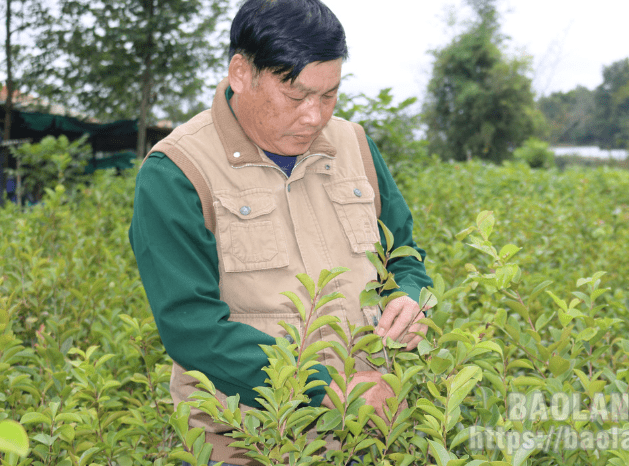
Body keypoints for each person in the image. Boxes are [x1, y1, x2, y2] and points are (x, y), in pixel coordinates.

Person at [128, 0, 433, 464]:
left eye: (329, 95)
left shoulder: (356, 146)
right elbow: (191, 327)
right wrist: (324, 386)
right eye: (295, 96)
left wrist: (409, 296)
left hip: (372, 428)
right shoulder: (177, 172)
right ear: (240, 73)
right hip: (248, 438)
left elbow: (404, 254)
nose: (315, 116)